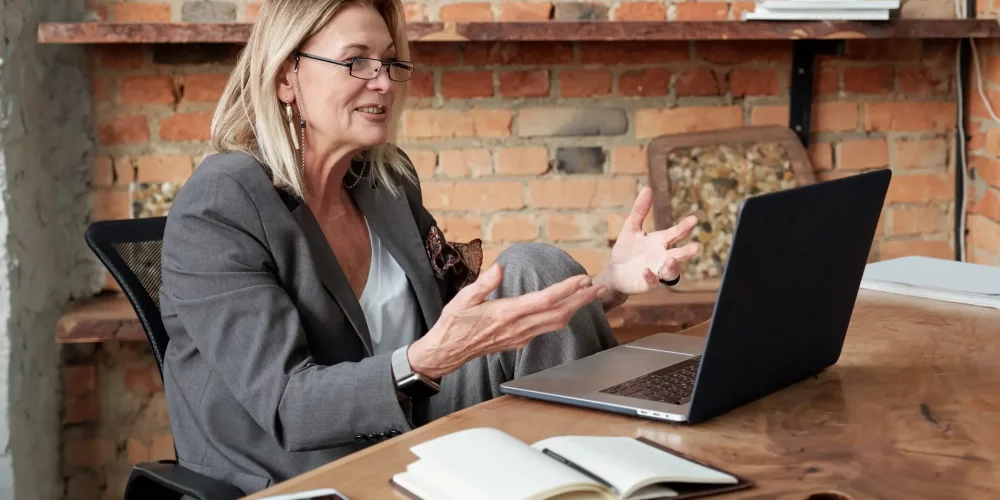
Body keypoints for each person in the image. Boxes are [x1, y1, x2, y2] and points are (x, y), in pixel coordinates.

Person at [157, 0, 701, 494]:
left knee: (534, 265)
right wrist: (427, 359)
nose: (383, 82)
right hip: (304, 465)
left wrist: (610, 283)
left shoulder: (384, 182)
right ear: (285, 78)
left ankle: (622, 478)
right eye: (356, 62)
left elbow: (483, 322)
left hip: (414, 430)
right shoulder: (221, 205)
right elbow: (289, 408)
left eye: (390, 62)